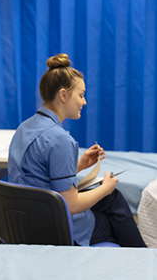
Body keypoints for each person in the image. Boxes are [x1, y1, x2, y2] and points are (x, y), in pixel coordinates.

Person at [8, 53, 146, 248]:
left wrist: (78, 165)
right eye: (81, 95)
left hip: (25, 219)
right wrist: (106, 187)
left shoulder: (25, 127)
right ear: (63, 95)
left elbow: (36, 177)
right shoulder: (60, 139)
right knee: (112, 205)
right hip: (53, 228)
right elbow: (71, 206)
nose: (84, 102)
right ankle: (143, 260)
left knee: (111, 201)